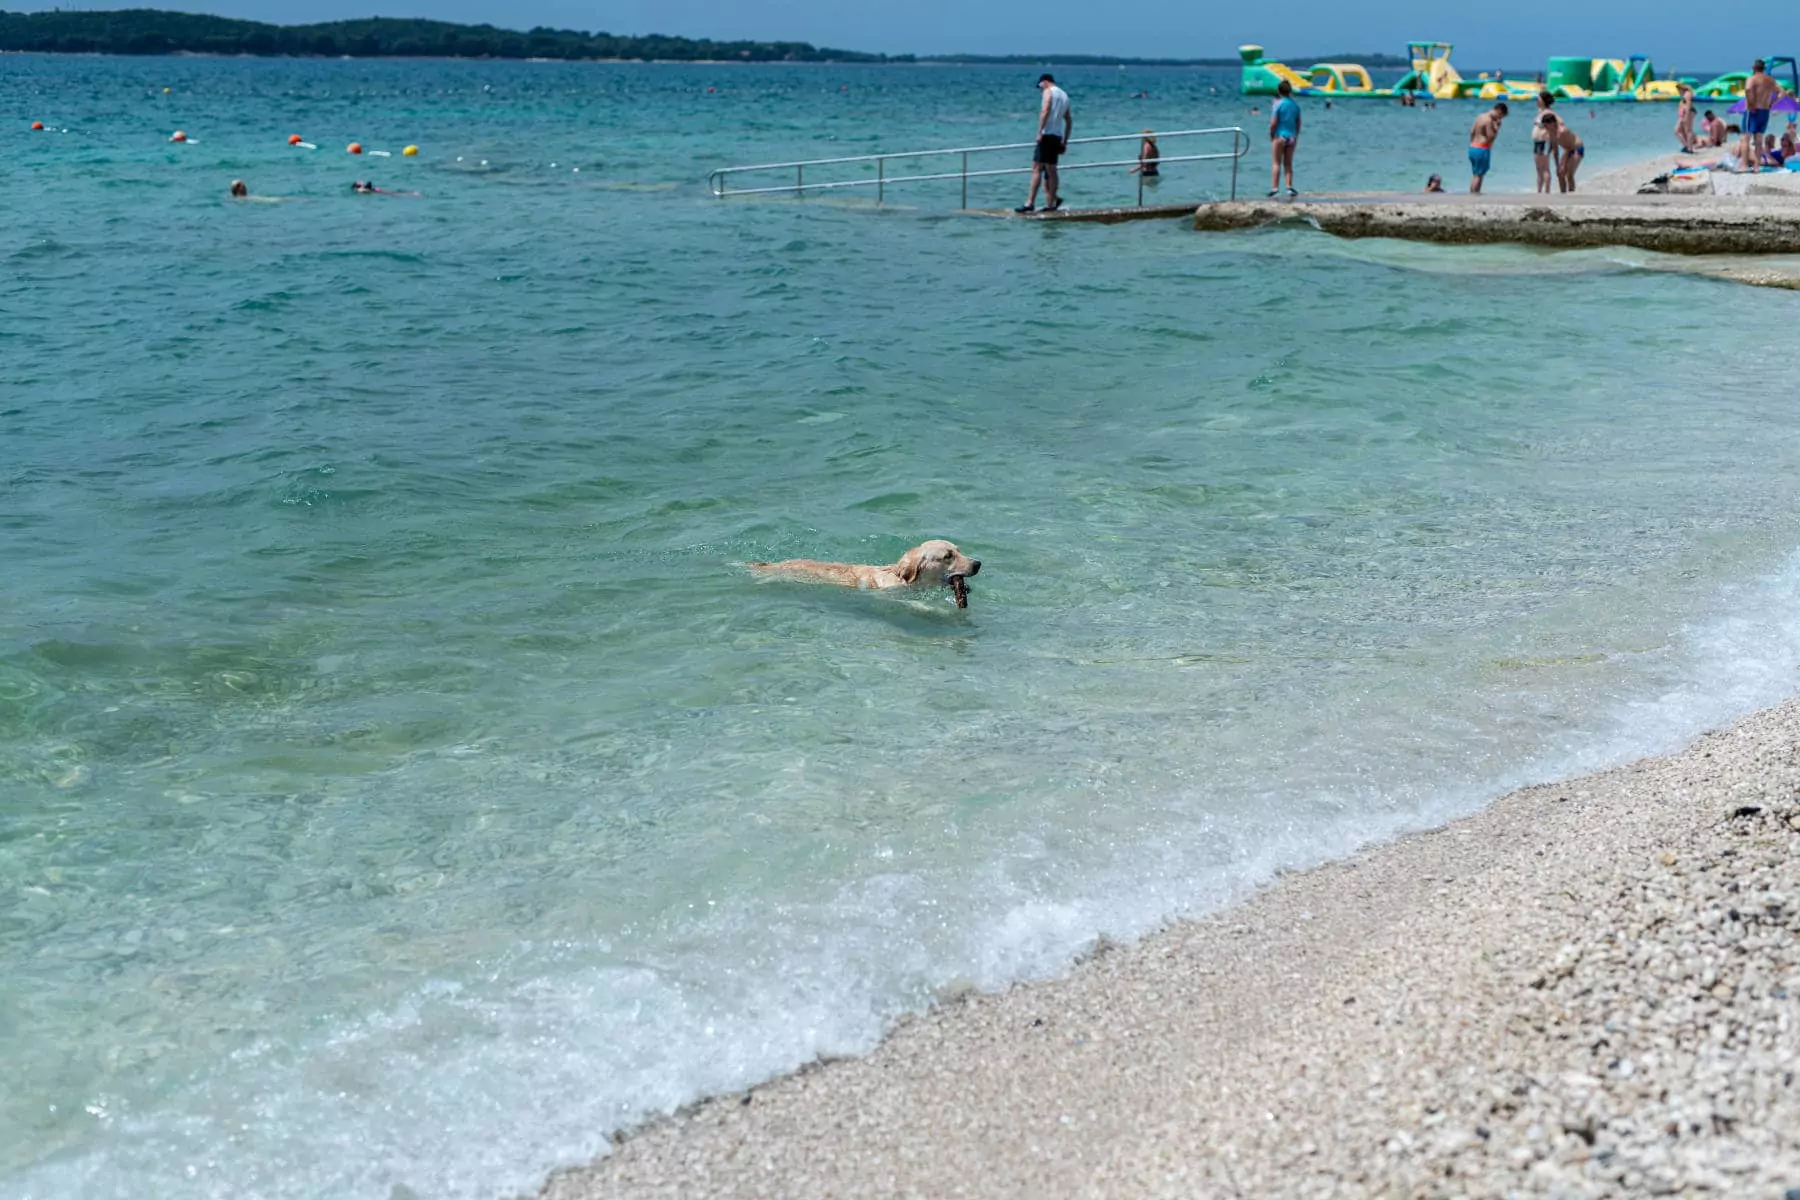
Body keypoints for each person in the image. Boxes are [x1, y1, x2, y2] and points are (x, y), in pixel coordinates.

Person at [1017, 73, 1071, 213]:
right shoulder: (1064, 95)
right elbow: (1069, 120)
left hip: (1047, 134)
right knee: (1051, 169)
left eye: (1040, 86)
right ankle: (1052, 202)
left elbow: (1045, 110)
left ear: (1045, 82)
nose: (1040, 90)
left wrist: (1039, 131)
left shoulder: (1048, 91)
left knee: (1036, 168)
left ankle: (1030, 202)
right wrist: (1065, 141)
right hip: (1057, 136)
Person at [1741, 59, 1779, 173]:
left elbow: (1748, 90)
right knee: (1758, 140)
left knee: (1745, 138)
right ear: (1763, 68)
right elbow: (1781, 92)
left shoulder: (1752, 79)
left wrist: (1751, 104)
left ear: (1754, 68)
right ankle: (1757, 167)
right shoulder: (1770, 80)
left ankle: (1744, 165)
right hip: (1765, 111)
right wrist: (1772, 103)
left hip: (1752, 111)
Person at [1268, 79, 1301, 197]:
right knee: (1288, 164)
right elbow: (1298, 123)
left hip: (1280, 136)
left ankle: (1275, 189)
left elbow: (1273, 123)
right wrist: (1296, 135)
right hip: (1291, 137)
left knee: (1276, 163)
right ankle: (1289, 187)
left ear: (1279, 91)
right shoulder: (1295, 105)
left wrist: (1271, 135)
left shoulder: (1278, 105)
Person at [1468, 102, 1507, 193]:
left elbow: (1472, 131)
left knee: (1475, 174)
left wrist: (1472, 142)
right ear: (1499, 111)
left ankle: (1471, 194)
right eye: (1500, 116)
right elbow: (1490, 137)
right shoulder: (1489, 120)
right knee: (1479, 175)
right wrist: (1497, 127)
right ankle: (1476, 194)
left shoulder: (1480, 116)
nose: (1499, 118)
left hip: (1473, 147)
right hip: (1482, 148)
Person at [1545, 113, 1583, 191]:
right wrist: (1557, 165)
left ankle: (1571, 193)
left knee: (1569, 174)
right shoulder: (1551, 133)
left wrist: (1563, 164)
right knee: (1560, 173)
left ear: (1552, 123)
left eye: (1546, 125)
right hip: (1568, 150)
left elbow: (1568, 147)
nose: (1545, 128)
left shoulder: (1562, 131)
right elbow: (1555, 150)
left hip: (1577, 149)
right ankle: (1563, 194)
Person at [1531, 91, 1559, 193]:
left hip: (1544, 142)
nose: (1537, 101)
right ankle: (1539, 191)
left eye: (1539, 99)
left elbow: (1553, 130)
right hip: (1538, 142)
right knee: (1539, 169)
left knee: (1545, 168)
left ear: (1543, 100)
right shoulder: (1541, 112)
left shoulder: (1549, 114)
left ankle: (1547, 192)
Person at [1676, 87, 1698, 151]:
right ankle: (1687, 146)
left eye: (1678, 90)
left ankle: (1689, 148)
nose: (1678, 91)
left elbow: (1688, 105)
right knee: (1679, 130)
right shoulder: (1685, 95)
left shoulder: (1687, 94)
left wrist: (1686, 115)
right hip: (1684, 114)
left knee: (1687, 130)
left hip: (1687, 114)